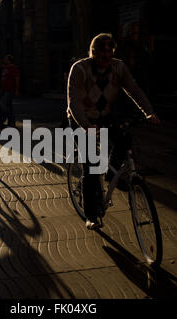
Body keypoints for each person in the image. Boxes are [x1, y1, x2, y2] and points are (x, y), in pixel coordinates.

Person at [67, 33, 160, 230]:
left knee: (124, 138)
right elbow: (74, 103)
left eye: (110, 50)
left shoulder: (119, 67)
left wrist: (149, 113)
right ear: (93, 52)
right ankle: (91, 214)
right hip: (81, 119)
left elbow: (134, 90)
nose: (106, 55)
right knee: (91, 167)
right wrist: (86, 126)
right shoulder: (80, 69)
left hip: (103, 116)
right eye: (102, 50)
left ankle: (112, 176)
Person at [0, 54, 20, 127]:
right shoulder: (5, 68)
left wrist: (17, 89)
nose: (4, 60)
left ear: (9, 60)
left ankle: (6, 117)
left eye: (6, 59)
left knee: (2, 104)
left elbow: (17, 78)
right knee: (9, 106)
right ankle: (11, 122)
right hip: (4, 90)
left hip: (10, 90)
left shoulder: (13, 68)